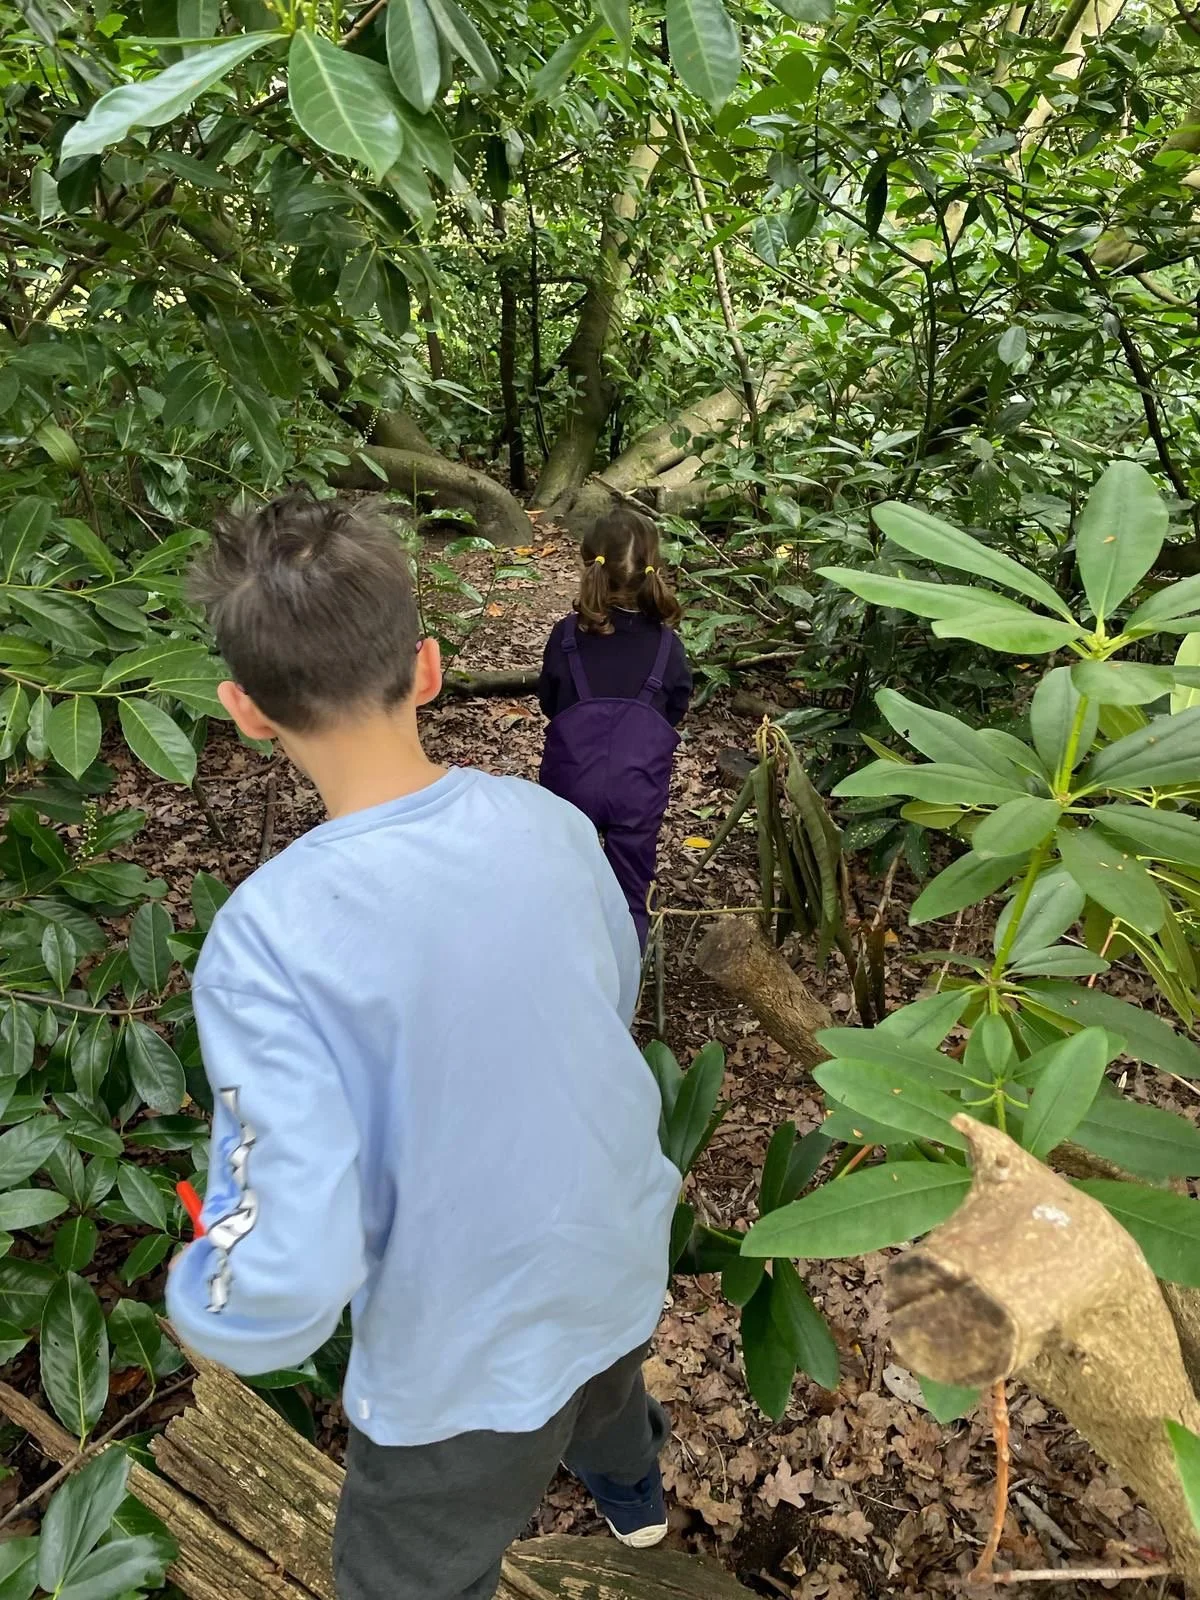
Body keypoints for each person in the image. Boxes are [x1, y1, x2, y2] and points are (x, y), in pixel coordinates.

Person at [165, 491, 682, 1600]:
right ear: (432, 667)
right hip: (615, 1254)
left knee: (401, 1577)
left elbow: (283, 1272)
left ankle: (622, 1499)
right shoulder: (552, 829)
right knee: (605, 1397)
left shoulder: (267, 938)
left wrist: (212, 1292)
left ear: (246, 712)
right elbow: (614, 1000)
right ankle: (637, 1506)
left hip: (463, 1360)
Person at [537, 508, 692, 948]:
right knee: (629, 895)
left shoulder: (565, 636)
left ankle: (562, 970)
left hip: (570, 782)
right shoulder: (669, 647)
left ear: (589, 563)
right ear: (653, 569)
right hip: (637, 788)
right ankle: (623, 988)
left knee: (566, 883)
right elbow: (675, 708)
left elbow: (550, 701)